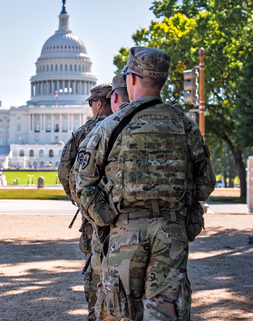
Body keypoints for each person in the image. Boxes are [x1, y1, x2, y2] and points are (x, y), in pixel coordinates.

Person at [76, 46, 215, 320]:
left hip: (124, 232)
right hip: (171, 232)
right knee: (166, 311)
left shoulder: (110, 126)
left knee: (121, 311)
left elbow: (84, 184)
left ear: (132, 78)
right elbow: (205, 181)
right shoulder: (184, 125)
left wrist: (107, 220)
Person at [57, 83, 113, 321]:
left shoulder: (84, 131)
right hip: (129, 211)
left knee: (96, 266)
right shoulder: (130, 126)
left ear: (98, 103)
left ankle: (95, 313)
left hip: (94, 211)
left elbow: (64, 171)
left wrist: (80, 202)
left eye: (91, 104)